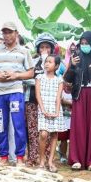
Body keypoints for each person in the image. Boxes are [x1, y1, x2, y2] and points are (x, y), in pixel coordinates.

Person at [0, 22, 34, 166]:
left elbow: (31, 72)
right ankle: (4, 157)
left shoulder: (24, 51)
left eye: (9, 32)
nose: (7, 35)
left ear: (16, 33)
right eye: (4, 32)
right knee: (0, 125)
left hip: (15, 92)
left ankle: (19, 158)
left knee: (18, 124)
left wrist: (16, 76)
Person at [63, 30, 91, 171]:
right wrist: (72, 66)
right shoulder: (76, 57)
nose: (84, 45)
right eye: (82, 43)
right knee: (78, 127)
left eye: (87, 43)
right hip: (79, 95)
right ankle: (76, 159)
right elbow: (67, 79)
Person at [26, 33, 58, 167]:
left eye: (47, 47)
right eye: (42, 47)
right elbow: (26, 79)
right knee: (33, 130)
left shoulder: (56, 63)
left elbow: (58, 80)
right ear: (38, 49)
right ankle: (33, 157)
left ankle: (45, 158)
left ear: (51, 49)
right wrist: (37, 80)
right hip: (33, 100)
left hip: (49, 102)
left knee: (48, 132)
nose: (44, 50)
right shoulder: (33, 62)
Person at [35, 54, 65, 172]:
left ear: (56, 66)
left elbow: (59, 97)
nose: (47, 63)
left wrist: (57, 112)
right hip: (43, 109)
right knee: (43, 134)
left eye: (50, 62)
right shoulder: (39, 77)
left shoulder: (59, 80)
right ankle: (41, 161)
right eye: (46, 61)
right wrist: (42, 109)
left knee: (54, 135)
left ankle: (50, 161)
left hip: (55, 109)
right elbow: (38, 95)